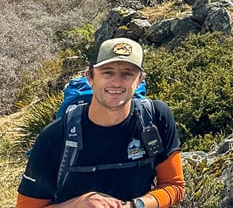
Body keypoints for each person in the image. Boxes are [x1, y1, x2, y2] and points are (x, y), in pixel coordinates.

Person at [17, 37, 185, 208]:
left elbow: (174, 185)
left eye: (128, 73)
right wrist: (78, 204)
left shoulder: (155, 118)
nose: (117, 81)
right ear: (90, 77)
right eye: (107, 72)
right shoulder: (55, 136)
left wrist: (136, 205)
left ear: (140, 79)